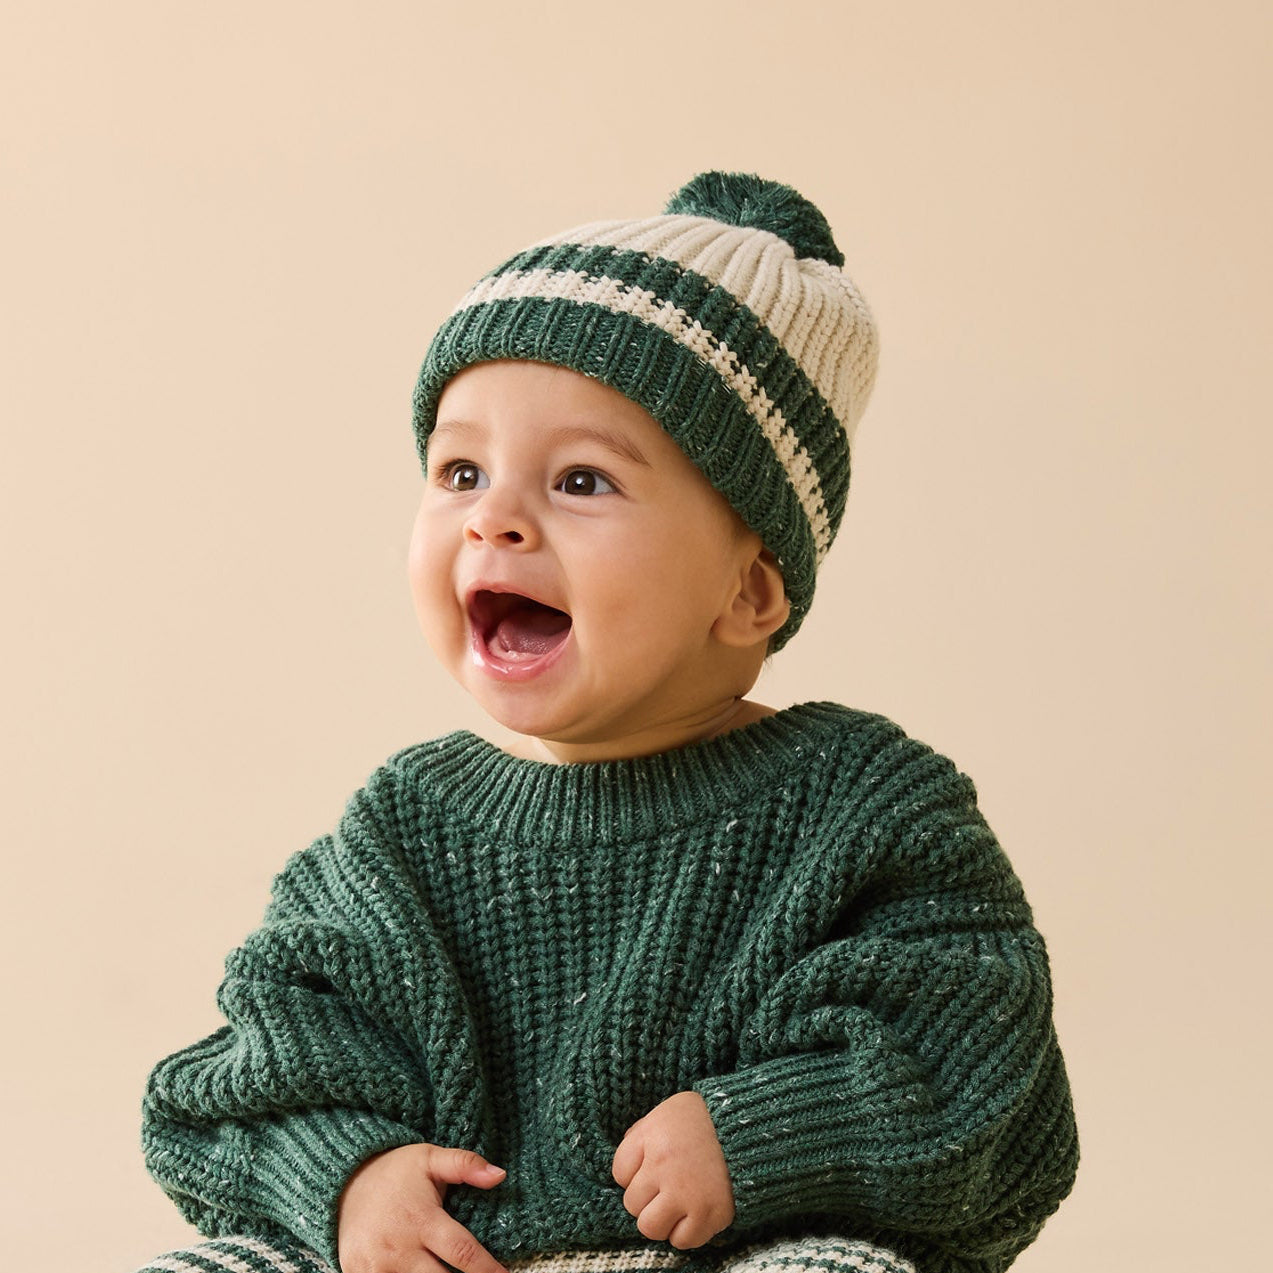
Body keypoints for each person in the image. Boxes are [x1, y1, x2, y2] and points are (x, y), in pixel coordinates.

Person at [137, 171, 1078, 1273]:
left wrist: (761, 1131)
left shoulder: (863, 807)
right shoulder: (401, 827)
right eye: (460, 469)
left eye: (581, 479)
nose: (495, 517)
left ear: (746, 592)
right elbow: (263, 1055)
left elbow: (972, 1059)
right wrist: (347, 1173)